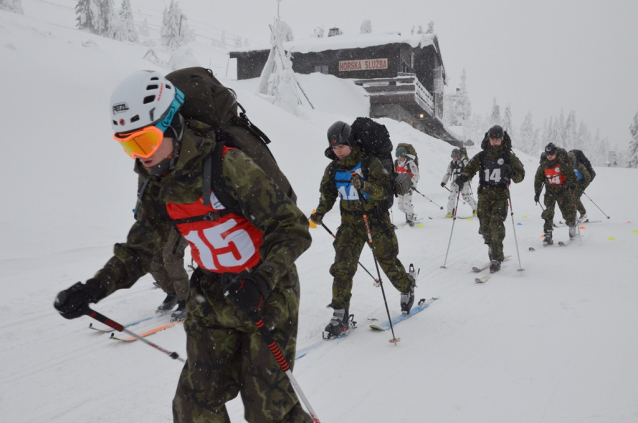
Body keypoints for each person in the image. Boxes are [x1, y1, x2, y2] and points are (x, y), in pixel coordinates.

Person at [53, 70, 313, 422]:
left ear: (173, 126)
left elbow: (292, 227)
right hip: (210, 295)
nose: (139, 157)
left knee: (269, 408)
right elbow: (140, 248)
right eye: (127, 146)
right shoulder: (157, 184)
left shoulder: (227, 165)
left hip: (265, 294)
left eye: (143, 142)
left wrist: (263, 279)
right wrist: (95, 287)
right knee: (193, 405)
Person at [310, 121, 416, 337]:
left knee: (387, 261)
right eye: (335, 148)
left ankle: (406, 286)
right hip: (349, 223)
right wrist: (320, 212)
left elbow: (385, 191)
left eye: (342, 147)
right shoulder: (333, 168)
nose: (338, 152)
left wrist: (364, 185)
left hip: (375, 220)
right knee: (342, 267)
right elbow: (328, 194)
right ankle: (340, 314)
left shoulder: (370, 163)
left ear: (350, 143)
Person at [454, 125, 525, 273]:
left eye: (498, 139)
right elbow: (470, 169)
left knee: (496, 226)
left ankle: (496, 258)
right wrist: (463, 177)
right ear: (489, 139)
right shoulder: (482, 156)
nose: (495, 142)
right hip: (484, 196)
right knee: (485, 228)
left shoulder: (508, 156)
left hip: (500, 197)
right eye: (493, 139)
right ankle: (492, 248)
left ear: (502, 139)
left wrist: (511, 171)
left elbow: (520, 176)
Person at [533, 142, 578, 245]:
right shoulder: (544, 165)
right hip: (550, 191)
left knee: (567, 211)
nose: (550, 157)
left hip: (563, 191)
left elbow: (571, 175)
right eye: (548, 155)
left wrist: (573, 185)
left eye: (552, 154)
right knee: (548, 212)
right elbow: (538, 180)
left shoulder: (562, 163)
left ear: (556, 153)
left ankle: (572, 227)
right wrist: (537, 193)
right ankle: (548, 234)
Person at [441, 147, 477, 218]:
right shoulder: (451, 163)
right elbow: (448, 173)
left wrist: (463, 179)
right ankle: (450, 212)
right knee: (451, 196)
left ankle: (475, 208)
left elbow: (469, 170)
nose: (454, 157)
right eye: (452, 156)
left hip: (464, 182)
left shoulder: (464, 162)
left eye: (455, 156)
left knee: (466, 197)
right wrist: (443, 182)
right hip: (455, 182)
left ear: (458, 155)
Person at [394, 146, 420, 226]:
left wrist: (413, 184)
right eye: (398, 157)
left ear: (404, 156)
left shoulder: (410, 163)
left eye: (401, 157)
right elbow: (395, 174)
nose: (399, 159)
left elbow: (416, 175)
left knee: (406, 203)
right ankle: (410, 213)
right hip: (400, 186)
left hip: (409, 186)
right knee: (400, 206)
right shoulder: (396, 164)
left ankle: (410, 219)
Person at [568, 151, 592, 222]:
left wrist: (582, 186)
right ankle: (572, 215)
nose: (569, 160)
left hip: (580, 184)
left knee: (575, 198)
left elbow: (588, 177)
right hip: (572, 185)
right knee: (569, 198)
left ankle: (582, 213)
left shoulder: (579, 166)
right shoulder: (567, 165)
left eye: (570, 158)